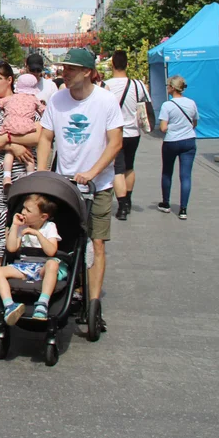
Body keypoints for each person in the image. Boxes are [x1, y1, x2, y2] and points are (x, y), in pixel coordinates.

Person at [37, 48, 123, 324]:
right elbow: (45, 137)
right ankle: (69, 291)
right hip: (64, 185)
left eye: (71, 68)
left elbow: (116, 143)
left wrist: (93, 171)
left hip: (99, 184)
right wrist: (41, 173)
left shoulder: (106, 101)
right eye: (64, 67)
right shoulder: (57, 100)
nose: (65, 72)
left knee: (96, 242)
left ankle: (93, 303)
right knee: (65, 241)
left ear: (87, 72)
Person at [0, 61, 42, 303]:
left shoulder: (26, 100)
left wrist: (4, 139)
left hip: (24, 174)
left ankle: (24, 282)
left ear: (9, 80)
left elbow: (39, 134)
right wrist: (13, 143)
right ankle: (0, 290)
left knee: (24, 226)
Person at [0, 193, 64, 324]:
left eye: (28, 210)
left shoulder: (49, 227)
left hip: (42, 266)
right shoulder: (22, 226)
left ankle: (43, 303)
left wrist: (37, 234)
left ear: (43, 217)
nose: (23, 212)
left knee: (53, 264)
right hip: (24, 266)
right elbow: (12, 248)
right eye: (23, 208)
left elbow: (52, 250)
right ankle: (9, 305)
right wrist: (14, 226)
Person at [105, 49, 151, 220]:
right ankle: (128, 200)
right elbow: (146, 105)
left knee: (117, 169)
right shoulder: (138, 84)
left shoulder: (106, 86)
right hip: (134, 132)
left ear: (112, 65)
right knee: (129, 166)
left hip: (114, 133)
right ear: (127, 64)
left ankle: (122, 205)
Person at [0, 72, 42, 186]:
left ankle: (6, 177)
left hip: (10, 126)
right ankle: (31, 177)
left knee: (9, 153)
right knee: (28, 155)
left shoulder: (11, 98)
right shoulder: (34, 100)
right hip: (27, 126)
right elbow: (43, 110)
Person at [157, 75, 198, 220]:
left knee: (167, 172)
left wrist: (171, 128)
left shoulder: (167, 105)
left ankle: (166, 203)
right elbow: (194, 122)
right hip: (189, 140)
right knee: (185, 176)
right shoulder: (191, 103)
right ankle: (183, 209)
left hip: (171, 141)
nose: (167, 87)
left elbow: (163, 128)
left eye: (168, 85)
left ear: (172, 87)